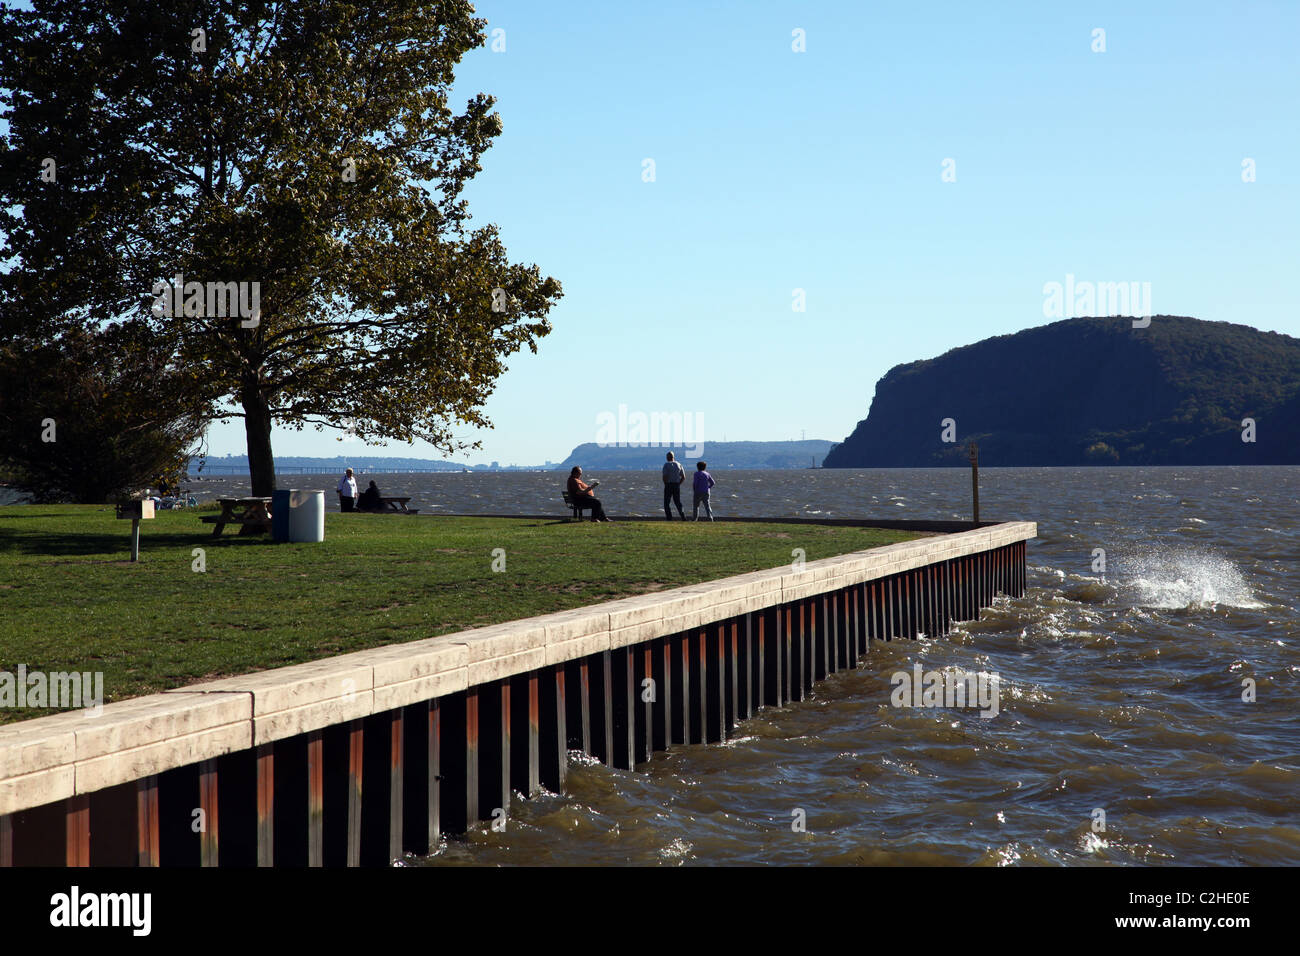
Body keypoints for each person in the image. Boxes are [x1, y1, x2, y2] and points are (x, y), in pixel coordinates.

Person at [661, 452, 686, 520]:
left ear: (667, 457)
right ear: (673, 457)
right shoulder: (679, 464)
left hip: (668, 485)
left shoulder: (666, 465)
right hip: (676, 485)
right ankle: (683, 516)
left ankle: (669, 518)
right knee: (677, 502)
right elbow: (683, 477)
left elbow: (664, 476)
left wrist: (666, 484)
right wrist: (678, 484)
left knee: (666, 502)